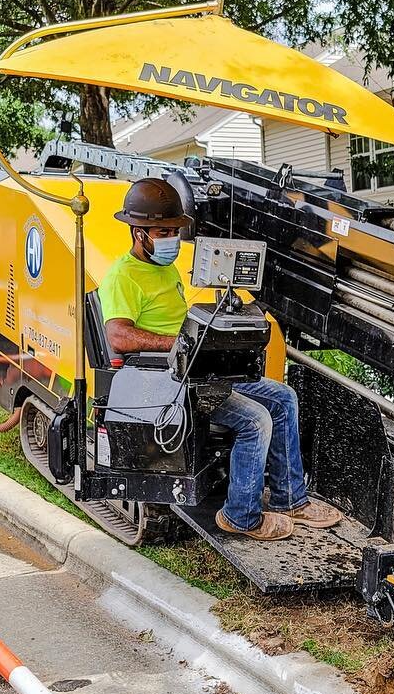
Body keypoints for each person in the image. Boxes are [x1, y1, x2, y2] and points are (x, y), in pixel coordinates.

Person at [97, 177, 343, 541]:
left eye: (174, 231)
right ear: (139, 233)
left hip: (196, 369)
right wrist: (180, 343)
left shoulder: (161, 269)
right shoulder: (122, 276)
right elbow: (118, 336)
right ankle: (241, 516)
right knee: (256, 420)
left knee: (283, 398)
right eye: (164, 232)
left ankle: (290, 499)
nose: (172, 240)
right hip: (168, 381)